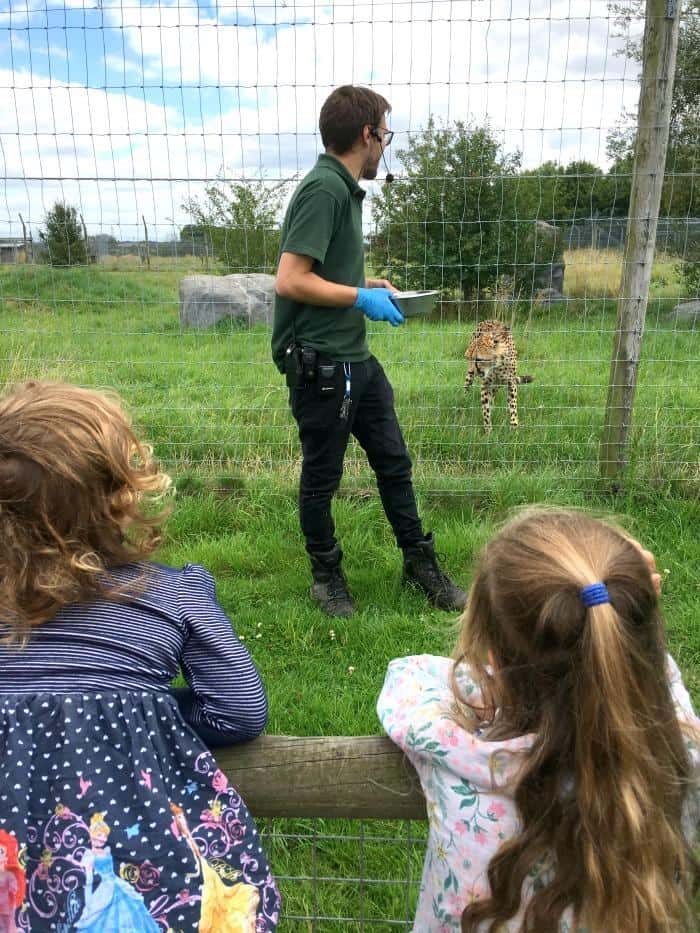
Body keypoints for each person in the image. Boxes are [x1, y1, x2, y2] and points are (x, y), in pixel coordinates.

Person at [0, 381, 280, 933]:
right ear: (116, 498)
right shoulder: (168, 596)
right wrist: (146, 709)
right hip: (139, 856)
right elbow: (240, 710)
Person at [377, 507, 700, 932]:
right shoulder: (678, 761)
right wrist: (625, 611)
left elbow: (408, 679)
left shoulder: (461, 767)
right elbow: (656, 678)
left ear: (491, 659)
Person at [272, 84, 467, 618]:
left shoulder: (343, 188)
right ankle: (326, 576)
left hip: (356, 357)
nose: (386, 144)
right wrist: (358, 296)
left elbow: (324, 271)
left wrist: (366, 284)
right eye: (387, 132)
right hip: (321, 363)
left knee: (394, 462)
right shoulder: (324, 190)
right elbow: (290, 280)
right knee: (322, 477)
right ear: (368, 134)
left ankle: (419, 563)